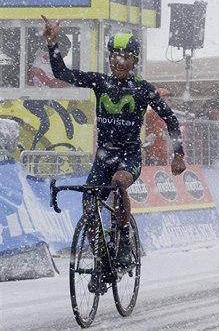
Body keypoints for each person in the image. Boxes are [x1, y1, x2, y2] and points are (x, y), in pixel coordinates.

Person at [41, 15, 186, 289]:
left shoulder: (143, 89)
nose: (119, 61)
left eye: (125, 56)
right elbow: (62, 73)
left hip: (128, 156)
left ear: (135, 61)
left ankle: (123, 238)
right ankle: (102, 263)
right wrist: (53, 43)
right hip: (103, 156)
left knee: (120, 183)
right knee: (89, 205)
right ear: (109, 59)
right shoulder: (100, 82)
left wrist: (178, 155)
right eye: (114, 56)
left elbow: (171, 119)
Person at [143, 88, 174, 166]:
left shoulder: (166, 114)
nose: (169, 100)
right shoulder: (153, 112)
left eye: (170, 99)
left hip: (162, 152)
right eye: (166, 97)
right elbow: (143, 124)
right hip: (152, 151)